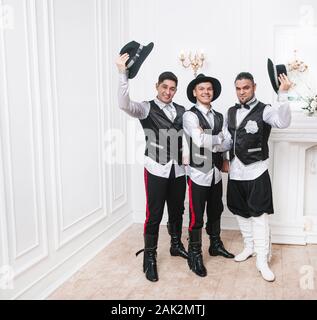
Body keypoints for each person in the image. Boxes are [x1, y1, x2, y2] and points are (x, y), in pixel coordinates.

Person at [116, 52, 188, 282]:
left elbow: (190, 137)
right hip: (156, 168)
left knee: (177, 210)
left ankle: (176, 245)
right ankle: (150, 256)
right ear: (157, 86)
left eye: (172, 88)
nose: (168, 92)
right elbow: (123, 104)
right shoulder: (146, 108)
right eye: (164, 87)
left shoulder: (182, 111)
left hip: (178, 170)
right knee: (154, 214)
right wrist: (122, 74)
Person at [225, 69, 292, 282]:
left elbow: (283, 122)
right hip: (235, 171)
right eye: (238, 88)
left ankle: (262, 259)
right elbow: (228, 140)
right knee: (240, 212)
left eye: (246, 87)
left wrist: (282, 95)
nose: (242, 92)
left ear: (254, 87)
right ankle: (249, 246)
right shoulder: (231, 111)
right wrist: (210, 143)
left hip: (256, 171)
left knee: (259, 216)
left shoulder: (266, 110)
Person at [183, 74, 234, 278]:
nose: (206, 92)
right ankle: (194, 254)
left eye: (209, 89)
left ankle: (215, 244)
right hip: (198, 172)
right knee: (196, 216)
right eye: (201, 89)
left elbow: (228, 142)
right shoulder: (190, 115)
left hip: (215, 173)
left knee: (216, 210)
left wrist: (213, 140)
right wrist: (217, 138)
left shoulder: (220, 116)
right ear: (195, 92)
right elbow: (198, 140)